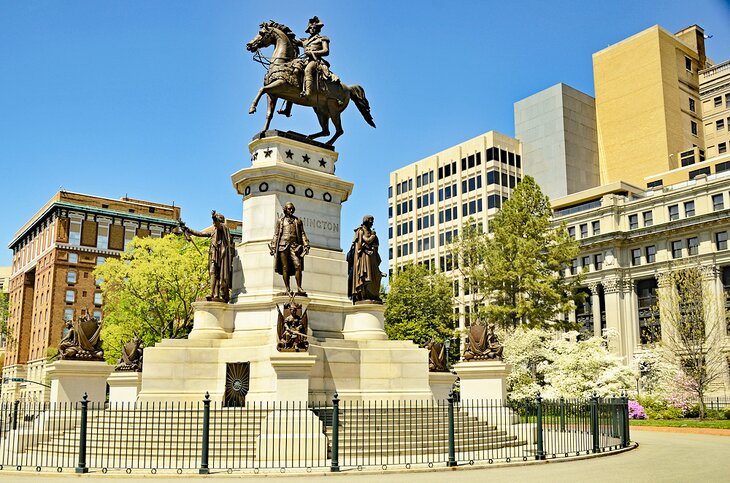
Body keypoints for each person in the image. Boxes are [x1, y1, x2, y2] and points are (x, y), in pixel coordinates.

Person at [180, 211, 234, 302]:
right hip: (214, 256)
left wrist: (213, 217)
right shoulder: (213, 232)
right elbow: (200, 234)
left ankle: (220, 294)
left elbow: (219, 225)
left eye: (216, 220)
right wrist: (188, 229)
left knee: (221, 276)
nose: (214, 223)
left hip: (222, 256)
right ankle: (212, 293)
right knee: (212, 272)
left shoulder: (223, 228)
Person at [269, 202, 310, 295]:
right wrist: (273, 246)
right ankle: (287, 288)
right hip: (283, 246)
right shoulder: (280, 221)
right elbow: (276, 235)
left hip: (295, 246)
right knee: (285, 268)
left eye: (292, 209)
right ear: (285, 210)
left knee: (298, 266)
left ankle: (299, 287)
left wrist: (306, 244)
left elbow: (302, 233)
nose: (290, 210)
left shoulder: (298, 221)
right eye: (288, 209)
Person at [296, 16, 336, 97]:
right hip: (305, 60)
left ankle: (308, 93)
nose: (312, 29)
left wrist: (312, 52)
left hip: (316, 60)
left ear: (317, 28)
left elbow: (326, 51)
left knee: (308, 69)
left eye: (314, 28)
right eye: (310, 28)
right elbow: (293, 40)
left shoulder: (322, 38)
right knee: (294, 70)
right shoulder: (305, 41)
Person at [347, 215, 382, 302]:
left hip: (372, 257)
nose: (372, 223)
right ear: (366, 221)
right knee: (365, 277)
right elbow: (366, 240)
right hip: (364, 258)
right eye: (371, 221)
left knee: (376, 276)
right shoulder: (360, 230)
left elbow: (376, 243)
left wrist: (373, 244)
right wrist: (372, 237)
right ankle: (364, 295)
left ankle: (373, 295)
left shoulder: (371, 231)